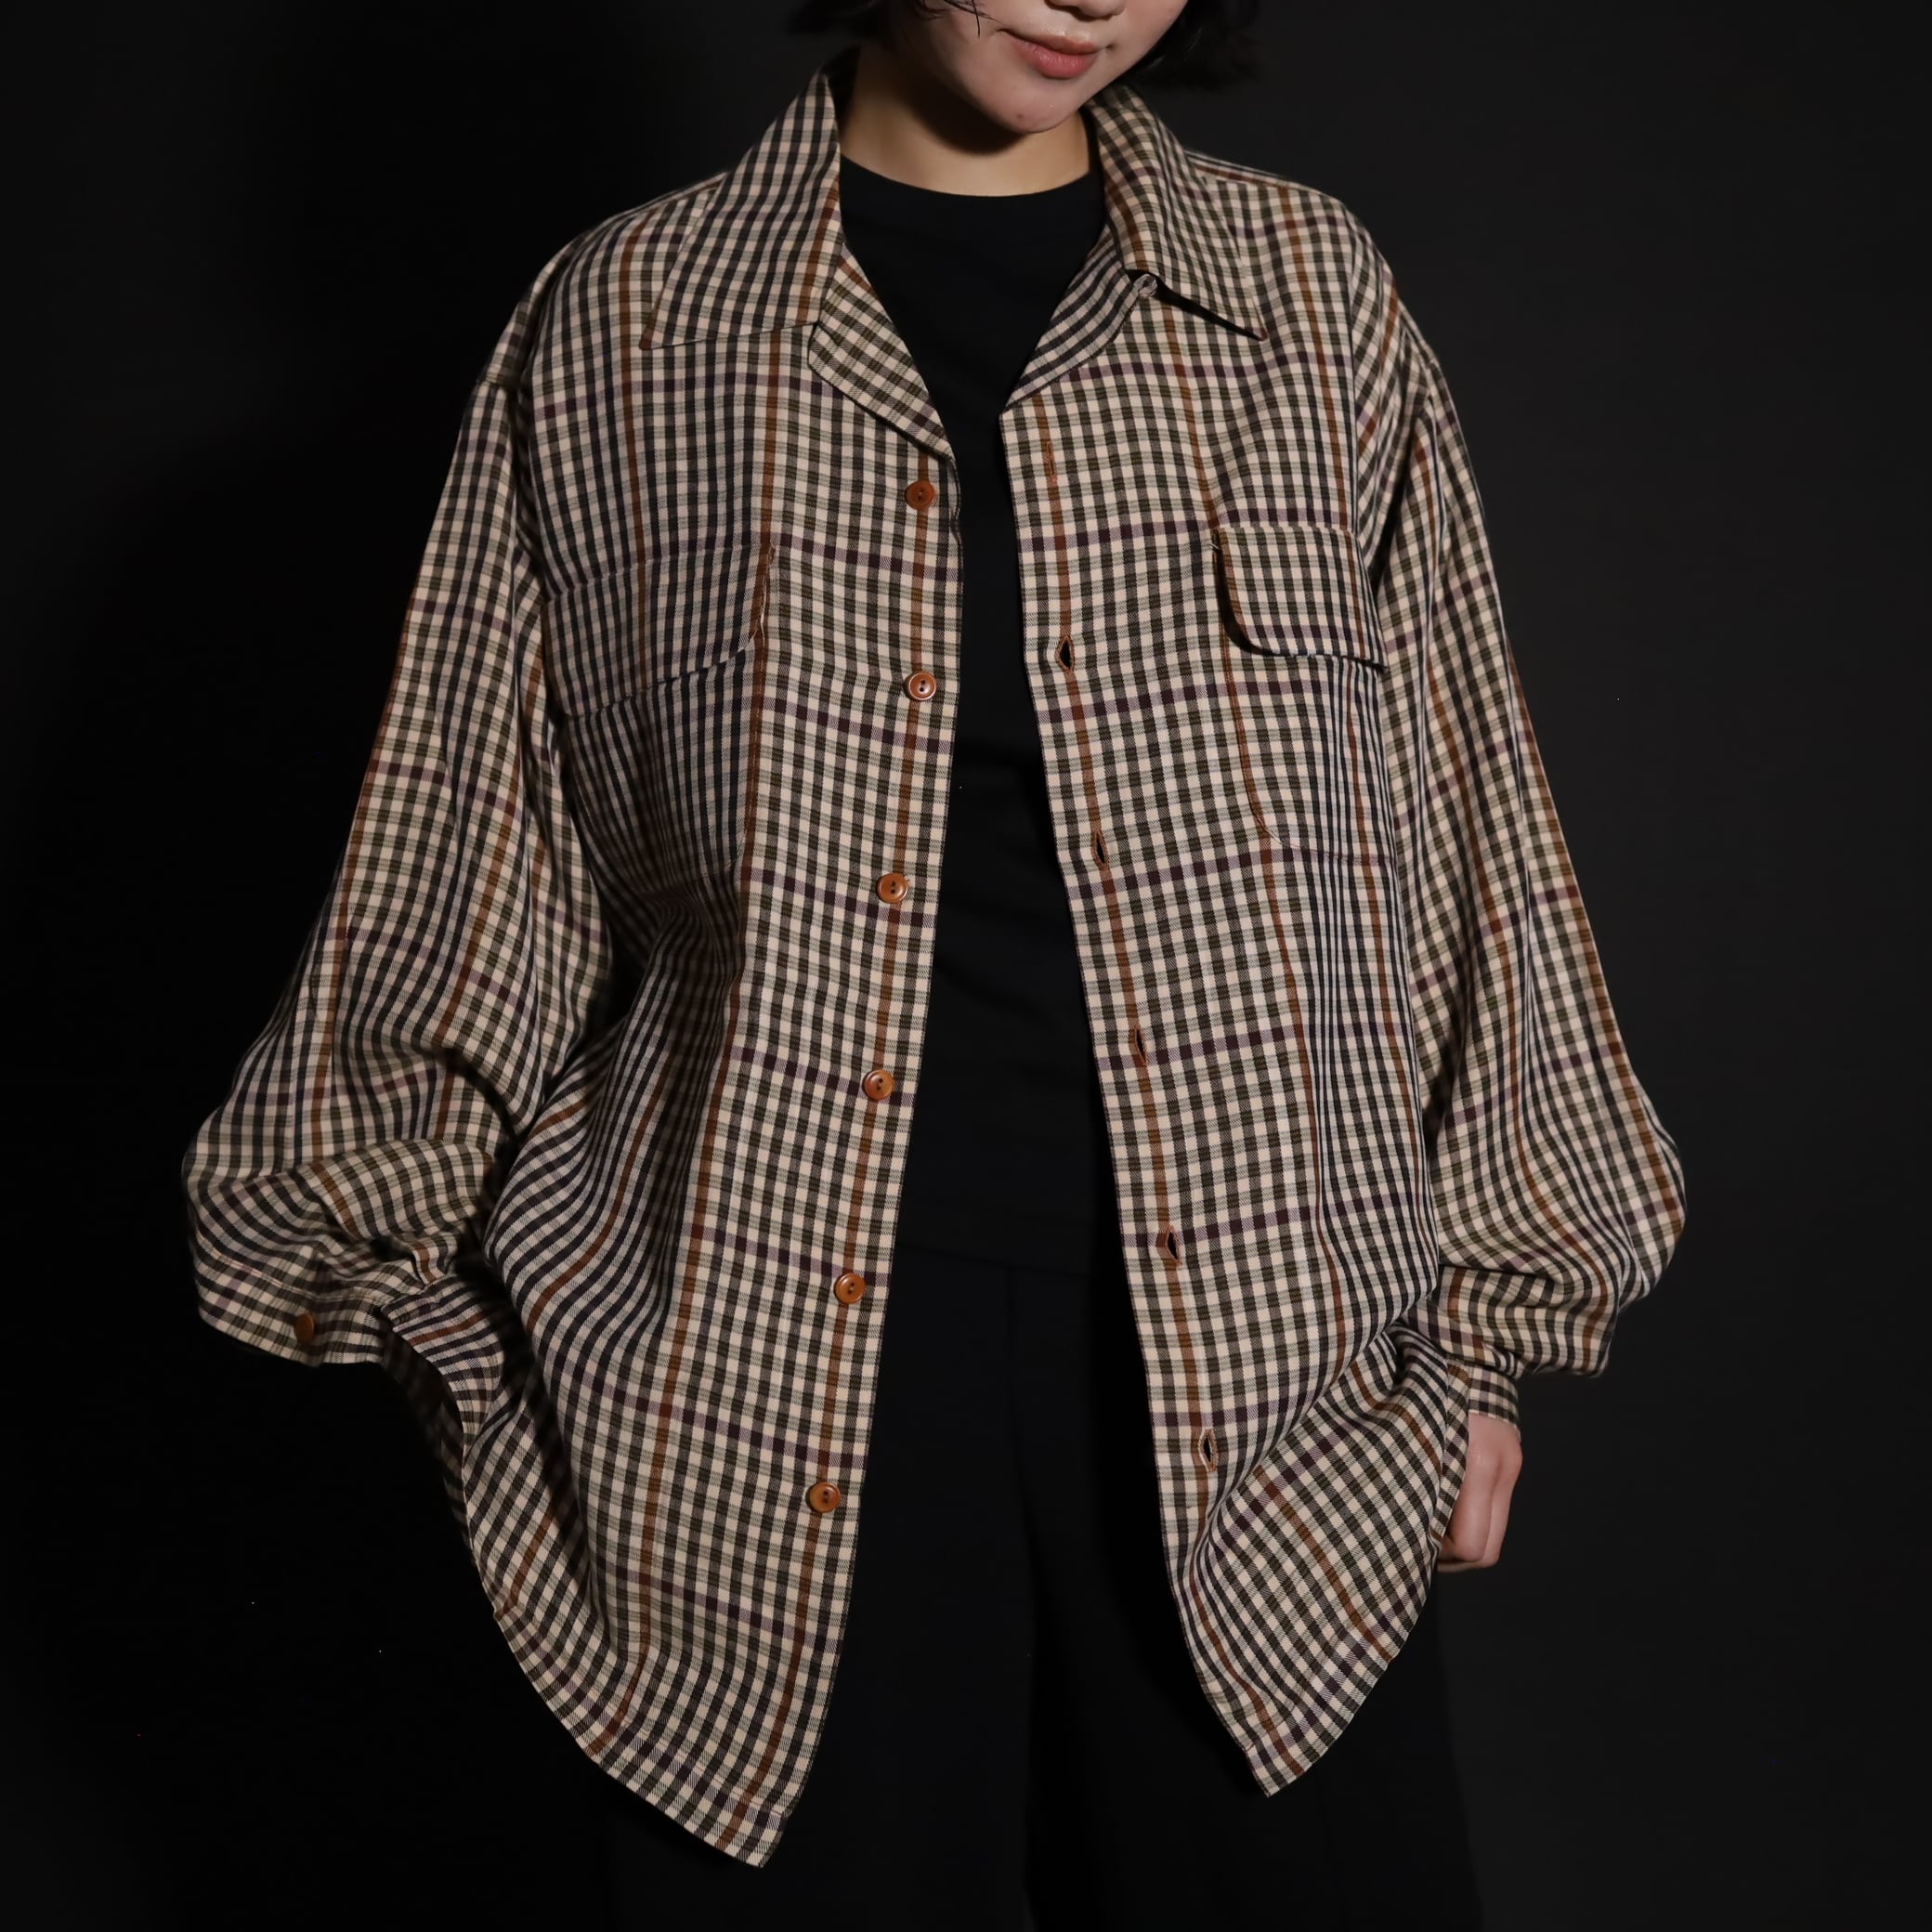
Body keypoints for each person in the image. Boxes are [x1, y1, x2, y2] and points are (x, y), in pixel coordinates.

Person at [179, 3, 1687, 1925]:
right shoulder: (626, 323)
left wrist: (1481, 1340)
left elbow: (1466, 835)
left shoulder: (1306, 297)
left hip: (1267, 1379)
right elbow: (470, 862)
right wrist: (450, 1356)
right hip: (746, 1391)